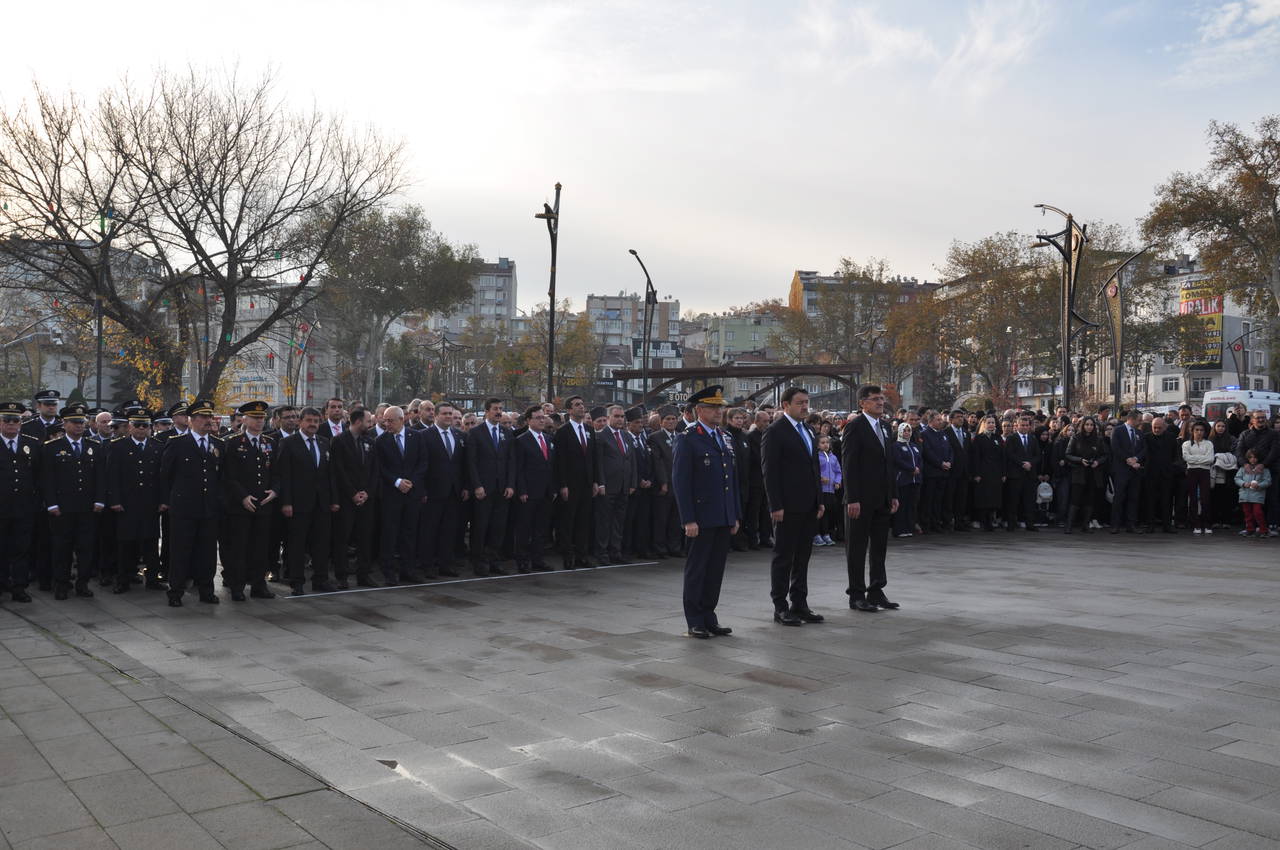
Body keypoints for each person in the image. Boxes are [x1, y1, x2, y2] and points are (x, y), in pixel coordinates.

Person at [671, 385, 738, 639]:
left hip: (722, 514)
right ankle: (695, 620)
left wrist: (734, 514)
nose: (718, 411)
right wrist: (688, 518)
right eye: (712, 407)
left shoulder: (724, 437)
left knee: (715, 569)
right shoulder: (688, 438)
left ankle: (710, 616)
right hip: (701, 515)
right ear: (699, 410)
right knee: (698, 569)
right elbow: (681, 482)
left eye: (720, 407)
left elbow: (731, 480)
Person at [762, 387, 825, 626]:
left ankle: (800, 603)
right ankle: (780, 606)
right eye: (800, 403)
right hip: (787, 505)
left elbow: (814, 467)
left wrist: (819, 500)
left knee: (803, 557)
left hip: (808, 504)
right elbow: (770, 471)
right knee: (784, 557)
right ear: (785, 405)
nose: (805, 407)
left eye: (807, 402)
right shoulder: (775, 431)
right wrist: (775, 504)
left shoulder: (808, 430)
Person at [158, 400, 222, 606]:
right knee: (181, 551)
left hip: (209, 507)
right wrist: (166, 501)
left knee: (208, 552)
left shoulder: (218, 444)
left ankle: (206, 590)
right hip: (184, 507)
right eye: (202, 417)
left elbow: (222, 477)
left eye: (209, 417)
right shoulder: (177, 443)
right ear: (191, 420)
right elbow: (165, 474)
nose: (207, 421)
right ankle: (175, 591)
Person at [841, 385, 898, 612]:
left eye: (882, 399)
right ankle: (856, 594)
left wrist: (893, 494)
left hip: (882, 497)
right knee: (856, 547)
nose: (880, 403)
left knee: (879, 547)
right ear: (862, 403)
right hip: (860, 499)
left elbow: (888, 463)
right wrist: (852, 497)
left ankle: (876, 590)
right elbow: (849, 464)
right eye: (875, 399)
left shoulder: (884, 427)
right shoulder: (854, 427)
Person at [274, 407, 339, 595]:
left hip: (322, 503)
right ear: (300, 422)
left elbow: (330, 475)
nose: (313, 424)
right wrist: (286, 502)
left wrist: (334, 500)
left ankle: (320, 579)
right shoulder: (288, 443)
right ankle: (297, 581)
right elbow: (284, 475)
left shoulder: (324, 442)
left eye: (316, 421)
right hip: (298, 503)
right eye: (309, 420)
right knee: (297, 544)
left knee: (321, 543)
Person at [219, 401, 278, 600]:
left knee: (260, 548)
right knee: (239, 548)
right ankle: (237, 586)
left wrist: (275, 491)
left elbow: (277, 472)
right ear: (244, 419)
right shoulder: (233, 442)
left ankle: (259, 585)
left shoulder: (269, 442)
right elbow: (229, 475)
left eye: (262, 418)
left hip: (263, 504)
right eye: (255, 418)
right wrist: (242, 496)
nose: (260, 422)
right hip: (240, 505)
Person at [105, 407, 165, 593]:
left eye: (145, 425)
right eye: (137, 425)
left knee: (150, 543)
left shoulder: (157, 446)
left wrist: (163, 500)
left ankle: (153, 579)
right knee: (126, 543)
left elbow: (163, 477)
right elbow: (112, 476)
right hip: (126, 503)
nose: (141, 429)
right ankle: (123, 580)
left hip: (150, 503)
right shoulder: (118, 446)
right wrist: (114, 500)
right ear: (129, 426)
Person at [374, 406, 426, 585]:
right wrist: (397, 482)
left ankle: (408, 570)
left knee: (410, 533)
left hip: (412, 494)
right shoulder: (381, 441)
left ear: (401, 419)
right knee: (390, 534)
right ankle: (388, 571)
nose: (386, 424)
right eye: (385, 420)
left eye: (391, 420)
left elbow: (423, 462)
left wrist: (410, 482)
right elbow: (380, 468)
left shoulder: (417, 437)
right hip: (391, 495)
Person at [330, 406, 379, 588]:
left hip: (366, 499)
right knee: (343, 538)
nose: (370, 424)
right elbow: (338, 471)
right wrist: (352, 493)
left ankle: (363, 574)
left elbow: (375, 470)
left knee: (365, 538)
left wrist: (367, 492)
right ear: (358, 421)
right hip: (346, 499)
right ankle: (341, 576)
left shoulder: (370, 441)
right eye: (368, 421)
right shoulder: (339, 441)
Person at [418, 402, 468, 579]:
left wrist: (465, 487)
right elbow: (421, 466)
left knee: (449, 530)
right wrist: (422, 490)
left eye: (451, 414)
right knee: (429, 530)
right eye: (445, 413)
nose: (448, 416)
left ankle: (446, 564)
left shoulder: (459, 435)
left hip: (454, 492)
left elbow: (463, 465)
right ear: (437, 416)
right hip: (432, 492)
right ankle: (427, 565)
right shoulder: (424, 436)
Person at [466, 398, 514, 577]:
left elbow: (511, 461)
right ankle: (478, 561)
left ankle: (494, 559)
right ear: (486, 411)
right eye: (495, 409)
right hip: (483, 489)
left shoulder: (506, 433)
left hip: (502, 488)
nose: (499, 412)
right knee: (480, 526)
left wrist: (510, 484)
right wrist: (477, 485)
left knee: (498, 527)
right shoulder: (476, 432)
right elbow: (471, 462)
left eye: (501, 408)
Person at [554, 396, 602, 570]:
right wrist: (563, 484)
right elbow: (560, 461)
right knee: (568, 522)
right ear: (569, 410)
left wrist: (596, 481)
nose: (582, 407)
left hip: (587, 483)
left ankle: (582, 555)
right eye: (577, 405)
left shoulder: (589, 430)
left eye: (582, 404)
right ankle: (568, 556)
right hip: (570, 484)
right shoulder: (563, 431)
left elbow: (594, 458)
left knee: (584, 521)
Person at [0, 402, 40, 602]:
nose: (11, 424)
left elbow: (39, 476)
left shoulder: (32, 444)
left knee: (21, 549)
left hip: (24, 507)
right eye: (7, 420)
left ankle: (19, 586)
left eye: (16, 420)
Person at [512, 406, 557, 573]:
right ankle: (522, 560)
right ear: (529, 420)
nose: (541, 420)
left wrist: (553, 488)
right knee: (524, 528)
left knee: (541, 529)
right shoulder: (521, 440)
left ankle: (538, 559)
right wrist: (522, 490)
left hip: (545, 491)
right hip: (529, 491)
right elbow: (519, 468)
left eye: (543, 417)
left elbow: (552, 466)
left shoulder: (548, 439)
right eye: (537, 417)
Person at [648, 406, 683, 558]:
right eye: (667, 419)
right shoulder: (655, 437)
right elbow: (658, 462)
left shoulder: (681, 436)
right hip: (665, 483)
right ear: (661, 422)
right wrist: (663, 482)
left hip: (679, 484)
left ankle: (674, 547)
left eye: (673, 419)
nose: (671, 422)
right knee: (662, 518)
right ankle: (660, 548)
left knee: (676, 518)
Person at [1064, 416, 1108, 533]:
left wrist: (1097, 462)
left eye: (1091, 425)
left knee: (1089, 500)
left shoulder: (1098, 439)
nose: (1089, 427)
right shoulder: (1076, 437)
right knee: (1075, 500)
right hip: (1079, 472)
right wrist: (1080, 460)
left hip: (1092, 473)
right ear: (1083, 425)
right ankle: (1069, 526)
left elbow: (1104, 455)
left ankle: (1085, 525)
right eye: (1087, 424)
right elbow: (1068, 454)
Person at [1110, 411, 1147, 533]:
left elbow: (1144, 449)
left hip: (1135, 471)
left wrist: (1136, 459)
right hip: (1121, 469)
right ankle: (1115, 525)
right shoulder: (1118, 430)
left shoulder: (1140, 433)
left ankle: (1131, 524)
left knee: (1133, 497)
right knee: (1119, 497)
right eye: (1139, 419)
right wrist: (1128, 460)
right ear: (1131, 419)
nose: (1141, 422)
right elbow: (1115, 448)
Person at [1003, 414, 1041, 532]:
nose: (1024, 427)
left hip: (1029, 475)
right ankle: (1011, 523)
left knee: (1029, 500)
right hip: (1015, 474)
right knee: (1013, 500)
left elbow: (1038, 455)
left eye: (1026, 425)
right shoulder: (1011, 438)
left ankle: (1030, 523)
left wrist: (1030, 463)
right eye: (1022, 425)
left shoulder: (1033, 438)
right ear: (1017, 426)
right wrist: (1022, 463)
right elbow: (1010, 454)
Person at [1142, 416, 1180, 533]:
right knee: (1150, 500)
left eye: (1159, 428)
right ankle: (1150, 525)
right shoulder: (1146, 438)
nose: (1157, 430)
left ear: (1164, 427)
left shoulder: (1171, 438)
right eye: (1154, 427)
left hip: (1166, 474)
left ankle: (1167, 525)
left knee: (1166, 500)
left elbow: (1176, 455)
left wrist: (1171, 468)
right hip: (1150, 473)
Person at [919, 412, 953, 534]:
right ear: (930, 421)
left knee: (938, 500)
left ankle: (936, 523)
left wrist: (949, 462)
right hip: (931, 473)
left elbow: (950, 449)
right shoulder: (925, 434)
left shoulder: (943, 434)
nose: (941, 421)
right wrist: (940, 463)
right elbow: (927, 452)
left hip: (943, 473)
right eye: (938, 420)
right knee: (928, 500)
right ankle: (926, 524)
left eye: (940, 419)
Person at [970, 416, 1005, 532]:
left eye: (993, 423)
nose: (991, 425)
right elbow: (975, 457)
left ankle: (990, 520)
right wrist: (976, 473)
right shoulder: (979, 438)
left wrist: (1003, 473)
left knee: (993, 498)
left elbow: (1002, 456)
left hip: (995, 473)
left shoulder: (998, 438)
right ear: (984, 424)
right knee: (983, 498)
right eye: (989, 423)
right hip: (983, 473)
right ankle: (983, 521)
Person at [1182, 421, 1214, 535]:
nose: (1199, 432)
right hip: (1192, 472)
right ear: (1192, 431)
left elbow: (1210, 459)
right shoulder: (1186, 444)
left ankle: (1207, 524)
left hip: (1205, 472)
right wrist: (1201, 459)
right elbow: (1186, 458)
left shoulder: (1209, 444)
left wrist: (1195, 459)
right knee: (1193, 498)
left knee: (1205, 498)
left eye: (1201, 430)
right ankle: (1195, 524)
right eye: (1197, 430)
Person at [891, 421, 920, 538]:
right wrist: (911, 468)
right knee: (902, 505)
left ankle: (909, 527)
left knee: (911, 504)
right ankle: (899, 529)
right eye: (904, 430)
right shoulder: (896, 446)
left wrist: (917, 468)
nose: (907, 433)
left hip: (915, 480)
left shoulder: (914, 446)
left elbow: (919, 459)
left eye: (909, 431)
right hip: (903, 479)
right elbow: (898, 460)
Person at [1236, 449, 1271, 537]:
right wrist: (1244, 483)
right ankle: (1250, 529)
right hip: (1245, 494)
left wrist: (1259, 485)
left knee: (1257, 512)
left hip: (1257, 495)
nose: (1253, 459)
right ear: (1247, 458)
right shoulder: (1243, 468)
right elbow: (1237, 478)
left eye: (1255, 457)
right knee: (1247, 513)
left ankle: (1263, 530)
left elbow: (1268, 481)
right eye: (1250, 457)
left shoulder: (1264, 469)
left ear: (1258, 458)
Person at [816, 435, 841, 546]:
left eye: (827, 442)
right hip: (821, 490)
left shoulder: (833, 457)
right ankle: (816, 534)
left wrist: (837, 481)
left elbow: (838, 471)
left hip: (830, 490)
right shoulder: (816, 457)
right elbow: (814, 471)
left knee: (829, 512)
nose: (826, 444)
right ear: (817, 445)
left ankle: (826, 533)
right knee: (820, 512)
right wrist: (820, 478)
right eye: (822, 442)